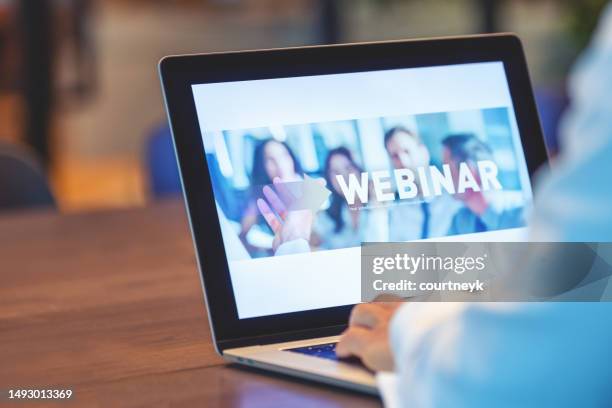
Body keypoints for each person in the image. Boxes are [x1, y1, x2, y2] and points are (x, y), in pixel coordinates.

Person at [336, 4, 612, 406]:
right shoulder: (413, 212)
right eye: (392, 156)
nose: (402, 162)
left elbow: (540, 356)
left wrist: (412, 330)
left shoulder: (513, 210)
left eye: (407, 151)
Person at [384, 127, 460, 240]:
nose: (403, 162)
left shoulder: (455, 194)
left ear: (424, 152)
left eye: (407, 151)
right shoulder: (399, 210)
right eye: (395, 156)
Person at [442, 133, 525, 235]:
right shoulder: (460, 221)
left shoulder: (523, 212)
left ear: (468, 171)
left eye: (447, 169)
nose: (443, 177)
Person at [312, 147, 388, 249]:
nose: (344, 176)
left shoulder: (382, 203)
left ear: (359, 169)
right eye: (336, 172)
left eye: (348, 168)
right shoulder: (328, 218)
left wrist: (377, 205)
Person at [239, 139, 303, 255]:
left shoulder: (310, 189)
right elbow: (242, 236)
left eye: (284, 156)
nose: (280, 164)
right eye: (270, 159)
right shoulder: (260, 196)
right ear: (262, 166)